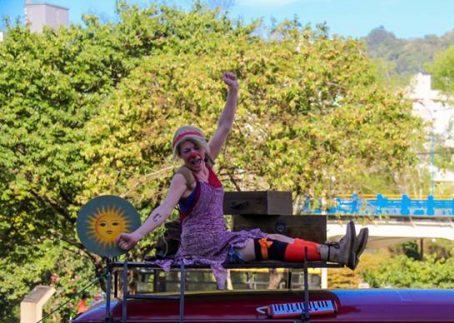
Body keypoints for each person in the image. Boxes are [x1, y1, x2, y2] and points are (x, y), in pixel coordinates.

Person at [116, 71, 368, 288]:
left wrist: (233, 91)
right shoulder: (183, 177)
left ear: (203, 148)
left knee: (278, 238)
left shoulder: (208, 164)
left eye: (195, 147)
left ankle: (337, 251)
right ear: (181, 156)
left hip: (222, 239)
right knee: (265, 246)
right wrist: (137, 235)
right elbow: (163, 210)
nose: (193, 154)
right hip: (203, 247)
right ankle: (336, 253)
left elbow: (224, 127)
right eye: (186, 150)